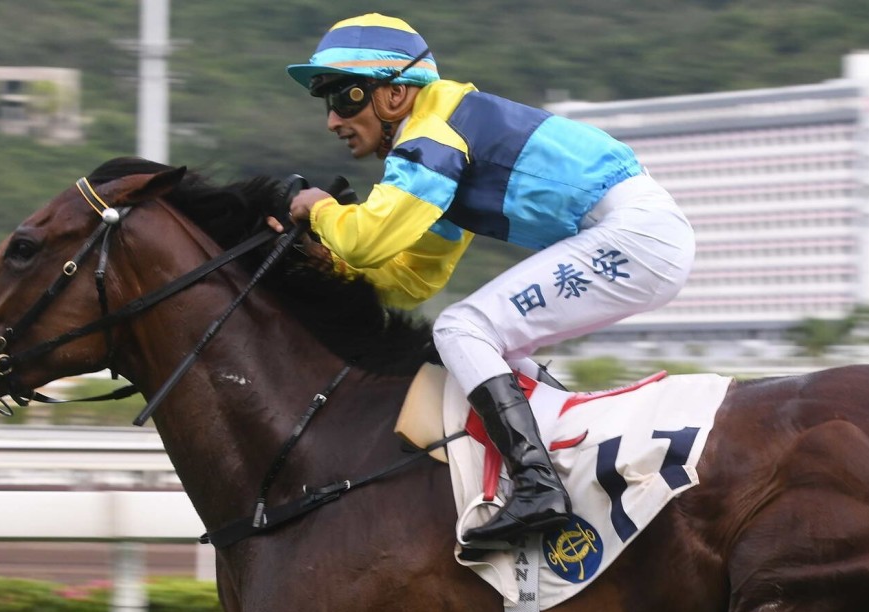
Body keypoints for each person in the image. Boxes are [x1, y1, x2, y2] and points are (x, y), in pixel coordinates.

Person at [277, 13, 695, 550]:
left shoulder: (434, 135)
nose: (333, 120)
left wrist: (319, 211)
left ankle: (538, 485)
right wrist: (330, 265)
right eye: (327, 103)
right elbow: (411, 279)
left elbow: (367, 238)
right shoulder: (444, 141)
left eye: (344, 97)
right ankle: (568, 462)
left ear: (395, 94)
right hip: (640, 236)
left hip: (636, 235)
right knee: (476, 345)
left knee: (461, 329)